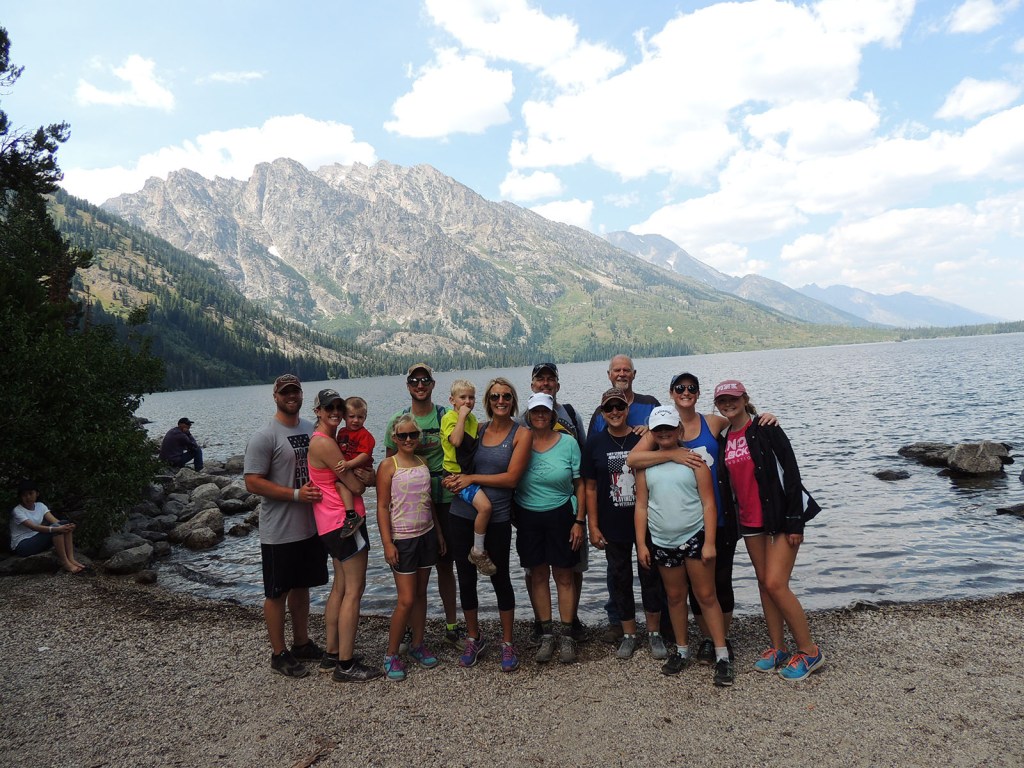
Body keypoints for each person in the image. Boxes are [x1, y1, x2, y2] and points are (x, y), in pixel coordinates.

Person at [626, 372, 778, 663]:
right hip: (683, 522)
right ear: (671, 392)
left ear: (697, 393)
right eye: (680, 388)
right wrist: (672, 455)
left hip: (719, 514)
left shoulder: (712, 422)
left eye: (691, 388)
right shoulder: (659, 428)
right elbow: (633, 459)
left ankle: (722, 639)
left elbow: (740, 421)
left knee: (719, 582)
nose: (685, 392)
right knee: (690, 590)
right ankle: (706, 639)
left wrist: (763, 417)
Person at [713, 379, 824, 682]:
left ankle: (810, 651)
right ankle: (778, 648)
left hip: (779, 519)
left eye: (733, 398)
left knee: (776, 583)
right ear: (717, 405)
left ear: (744, 398)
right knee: (764, 583)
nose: (728, 404)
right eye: (722, 400)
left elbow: (792, 472)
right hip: (749, 522)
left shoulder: (766, 427)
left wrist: (795, 520)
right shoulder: (724, 437)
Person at [634, 406, 735, 687]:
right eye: (658, 429)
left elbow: (709, 503)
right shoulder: (646, 466)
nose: (664, 433)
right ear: (652, 433)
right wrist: (641, 543)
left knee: (706, 595)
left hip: (694, 536)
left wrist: (710, 542)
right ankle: (681, 649)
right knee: (675, 597)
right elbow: (641, 506)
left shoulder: (695, 461)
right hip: (662, 541)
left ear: (679, 429)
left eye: (669, 428)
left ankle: (722, 654)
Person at [443, 377, 532, 672]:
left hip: (497, 519)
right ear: (487, 401)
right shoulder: (477, 428)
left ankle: (507, 643)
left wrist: (470, 479)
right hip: (461, 514)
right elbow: (455, 455)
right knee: (466, 578)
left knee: (500, 578)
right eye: (495, 397)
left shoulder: (521, 434)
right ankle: (474, 637)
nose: (500, 401)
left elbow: (511, 479)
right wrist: (450, 479)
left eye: (506, 396)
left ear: (513, 400)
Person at [243, 374, 328, 679]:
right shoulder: (265, 436)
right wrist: (295, 495)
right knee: (277, 592)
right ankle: (278, 653)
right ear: (276, 396)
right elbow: (252, 482)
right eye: (285, 392)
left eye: (296, 391)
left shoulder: (311, 429)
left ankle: (301, 642)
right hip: (279, 530)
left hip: (310, 527)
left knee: (302, 586)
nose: (291, 396)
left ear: (302, 395)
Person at [582, 389, 667, 661]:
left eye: (619, 406)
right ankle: (629, 633)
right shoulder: (595, 443)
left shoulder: (643, 438)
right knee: (619, 577)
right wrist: (593, 526)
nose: (615, 412)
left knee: (650, 575)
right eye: (609, 408)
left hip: (647, 521)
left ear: (627, 409)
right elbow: (590, 488)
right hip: (612, 522)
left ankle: (654, 632)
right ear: (602, 412)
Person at [306, 388, 381, 683]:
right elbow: (357, 486)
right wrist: (367, 479)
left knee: (340, 587)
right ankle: (346, 665)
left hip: (329, 522)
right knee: (354, 589)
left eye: (339, 407)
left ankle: (332, 654)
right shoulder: (325, 443)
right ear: (318, 412)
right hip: (344, 523)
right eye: (329, 408)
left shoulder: (325, 439)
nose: (335, 412)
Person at [384, 363, 461, 648]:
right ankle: (408, 629)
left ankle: (451, 625)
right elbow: (390, 466)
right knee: (409, 571)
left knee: (445, 564)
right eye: (414, 380)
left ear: (432, 384)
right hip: (411, 506)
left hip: (446, 500)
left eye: (425, 379)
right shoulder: (398, 421)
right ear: (408, 385)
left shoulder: (445, 416)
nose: (420, 384)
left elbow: (462, 447)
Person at [514, 392, 586, 665]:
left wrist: (579, 521)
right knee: (538, 575)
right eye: (535, 412)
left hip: (562, 514)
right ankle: (546, 634)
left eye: (545, 411)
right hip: (528, 515)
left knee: (564, 576)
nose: (540, 416)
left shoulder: (568, 443)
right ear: (529, 416)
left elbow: (580, 484)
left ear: (553, 415)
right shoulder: (521, 441)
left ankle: (566, 635)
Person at [377, 414, 446, 681]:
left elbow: (428, 501)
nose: (408, 439)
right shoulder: (388, 465)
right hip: (402, 539)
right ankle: (391, 654)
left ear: (419, 437)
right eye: (403, 435)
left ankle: (418, 644)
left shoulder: (422, 462)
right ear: (394, 438)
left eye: (413, 435)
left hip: (426, 535)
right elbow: (382, 507)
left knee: (420, 594)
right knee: (406, 599)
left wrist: (438, 532)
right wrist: (387, 543)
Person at [440, 379, 495, 576]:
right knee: (485, 507)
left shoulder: (471, 419)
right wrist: (461, 416)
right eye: (462, 397)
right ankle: (477, 551)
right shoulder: (449, 418)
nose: (467, 401)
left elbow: (478, 433)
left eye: (471, 397)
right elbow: (455, 441)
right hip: (455, 475)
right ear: (452, 400)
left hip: (468, 473)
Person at [9, 480, 85, 573]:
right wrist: (57, 528)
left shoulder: (40, 506)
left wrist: (69, 526)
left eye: (30, 493)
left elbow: (56, 522)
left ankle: (71, 559)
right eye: (24, 495)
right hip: (23, 545)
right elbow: (34, 527)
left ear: (37, 494)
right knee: (57, 529)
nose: (28, 497)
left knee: (64, 524)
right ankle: (65, 562)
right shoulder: (17, 511)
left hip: (36, 539)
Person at [333, 395, 376, 537]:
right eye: (352, 416)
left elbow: (365, 454)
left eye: (360, 417)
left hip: (359, 470)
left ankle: (351, 515)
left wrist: (348, 464)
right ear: (344, 416)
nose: (356, 420)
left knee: (340, 485)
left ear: (365, 417)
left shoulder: (365, 435)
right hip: (349, 468)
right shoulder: (342, 432)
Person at [588, 354, 660, 435]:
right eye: (617, 370)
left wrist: (652, 431)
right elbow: (592, 442)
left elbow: (668, 433)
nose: (622, 374)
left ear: (634, 374)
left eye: (626, 370)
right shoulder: (600, 413)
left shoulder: (650, 404)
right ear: (609, 374)